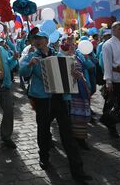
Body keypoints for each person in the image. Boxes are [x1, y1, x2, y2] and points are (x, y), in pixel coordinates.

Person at [19, 31, 92, 184]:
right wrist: (30, 65)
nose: (37, 41)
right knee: (43, 129)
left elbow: (70, 71)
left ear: (47, 40)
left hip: (60, 97)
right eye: (35, 39)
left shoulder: (59, 54)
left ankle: (78, 171)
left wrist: (75, 74)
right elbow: (23, 72)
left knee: (67, 133)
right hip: (43, 99)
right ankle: (44, 157)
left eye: (40, 38)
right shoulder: (31, 55)